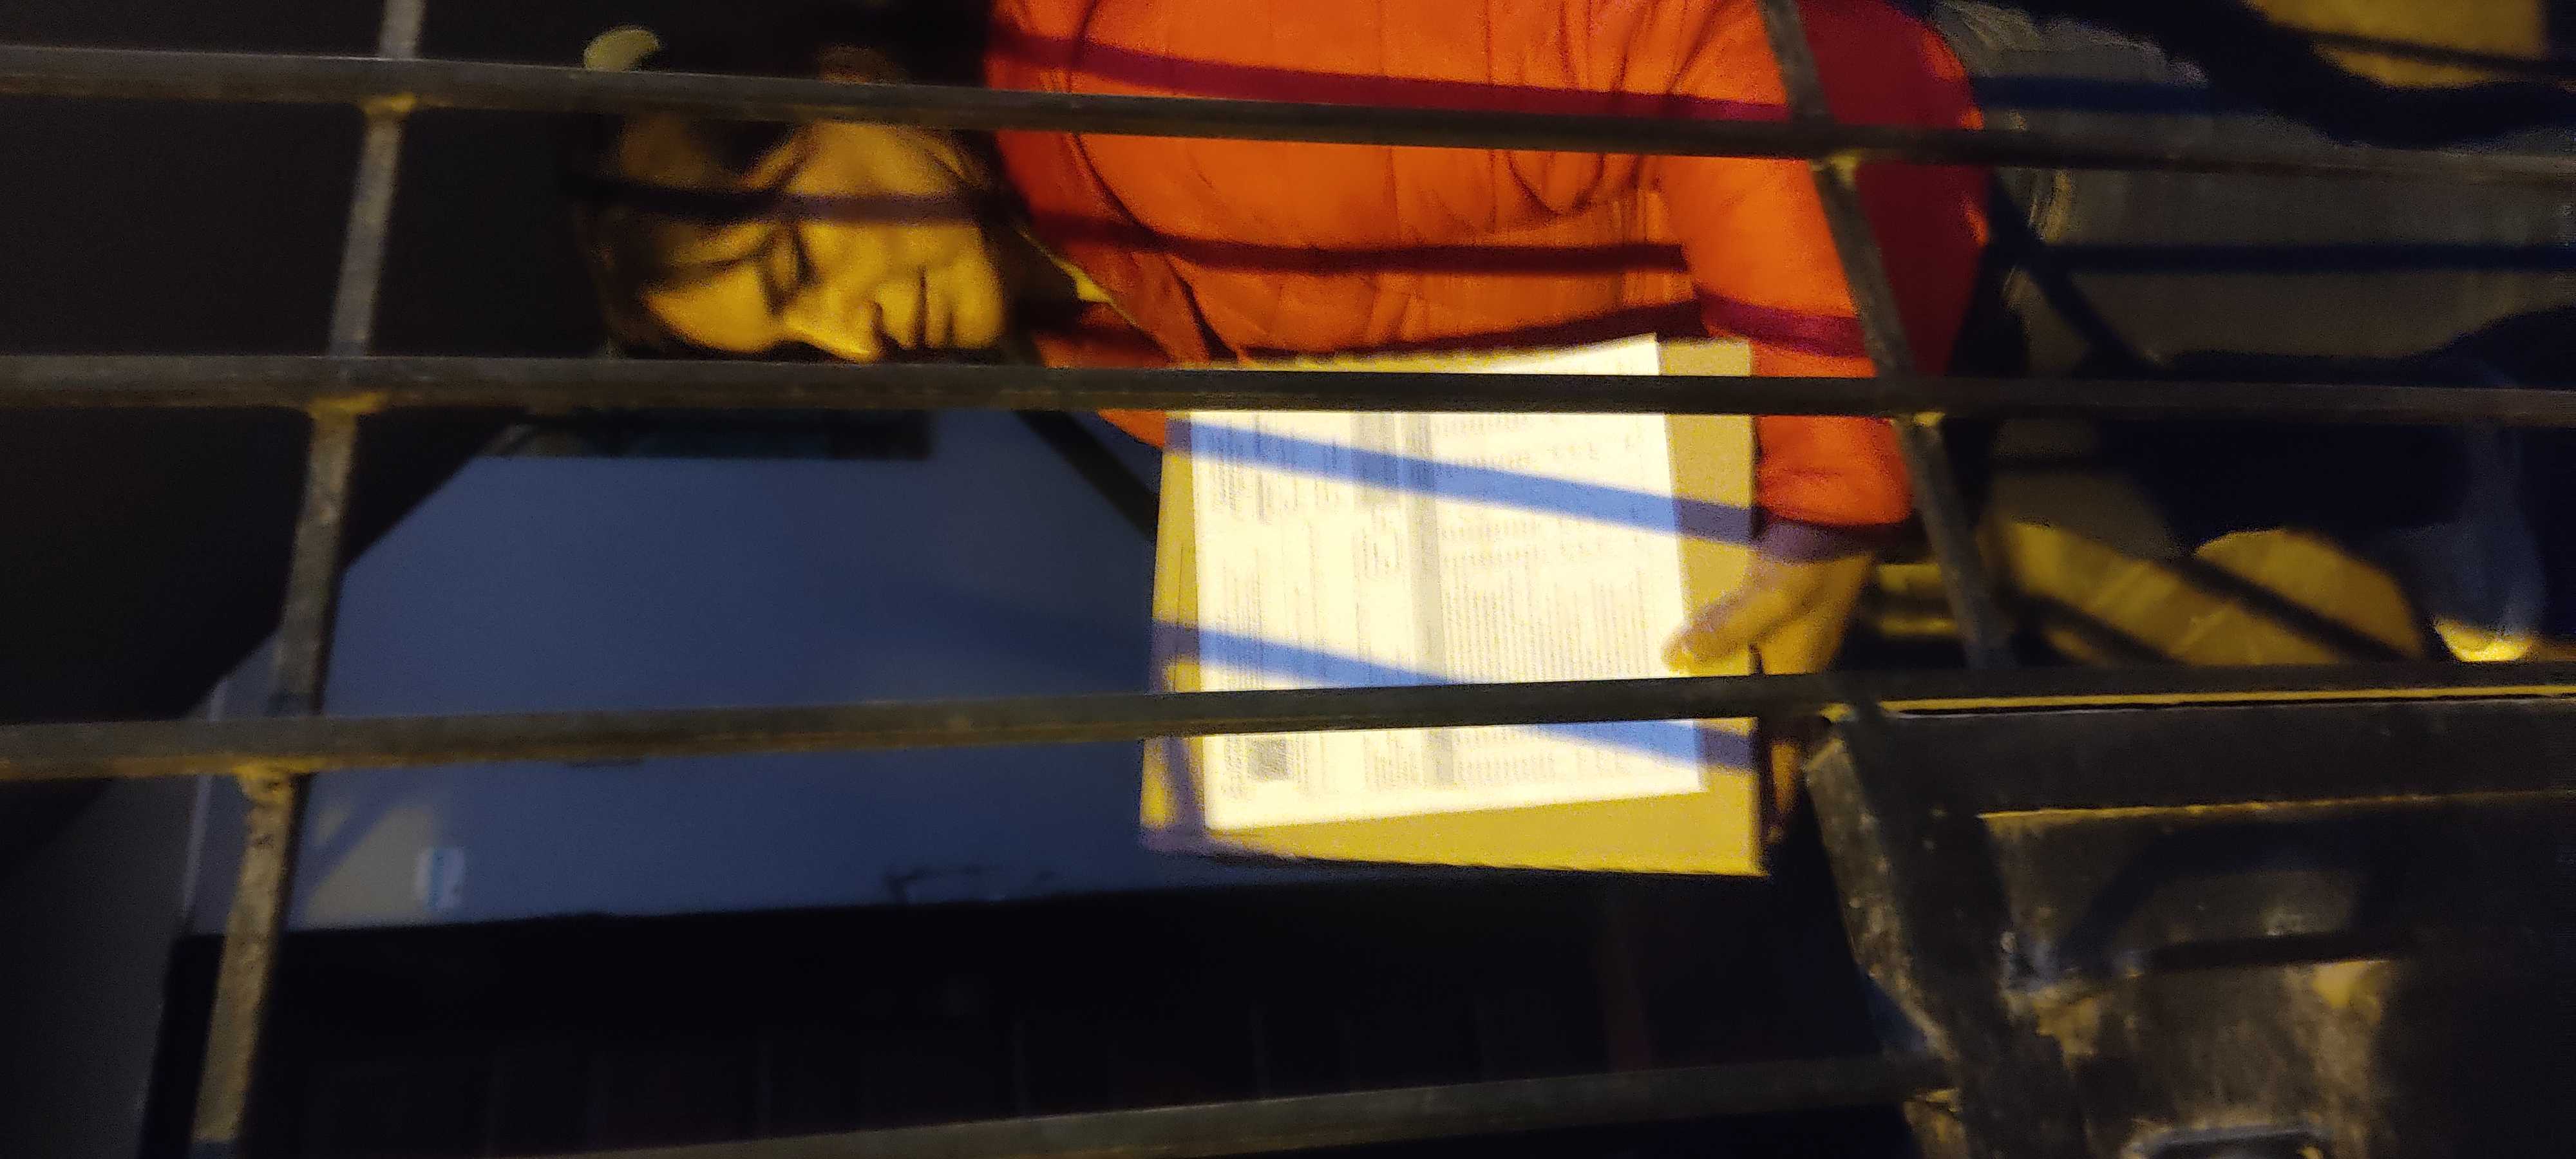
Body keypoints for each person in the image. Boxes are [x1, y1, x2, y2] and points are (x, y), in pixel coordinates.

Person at [572, 0, 2575, 674]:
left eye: (793, 268)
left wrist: (1824, 498)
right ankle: (2454, 470)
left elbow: (1721, 52)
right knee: (2328, 447)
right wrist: (1658, 721)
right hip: (1888, 388)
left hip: (1992, 196)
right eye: (794, 363)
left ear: (839, 87)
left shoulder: (1152, 78)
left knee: (2487, 231)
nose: (853, 347)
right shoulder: (1100, 336)